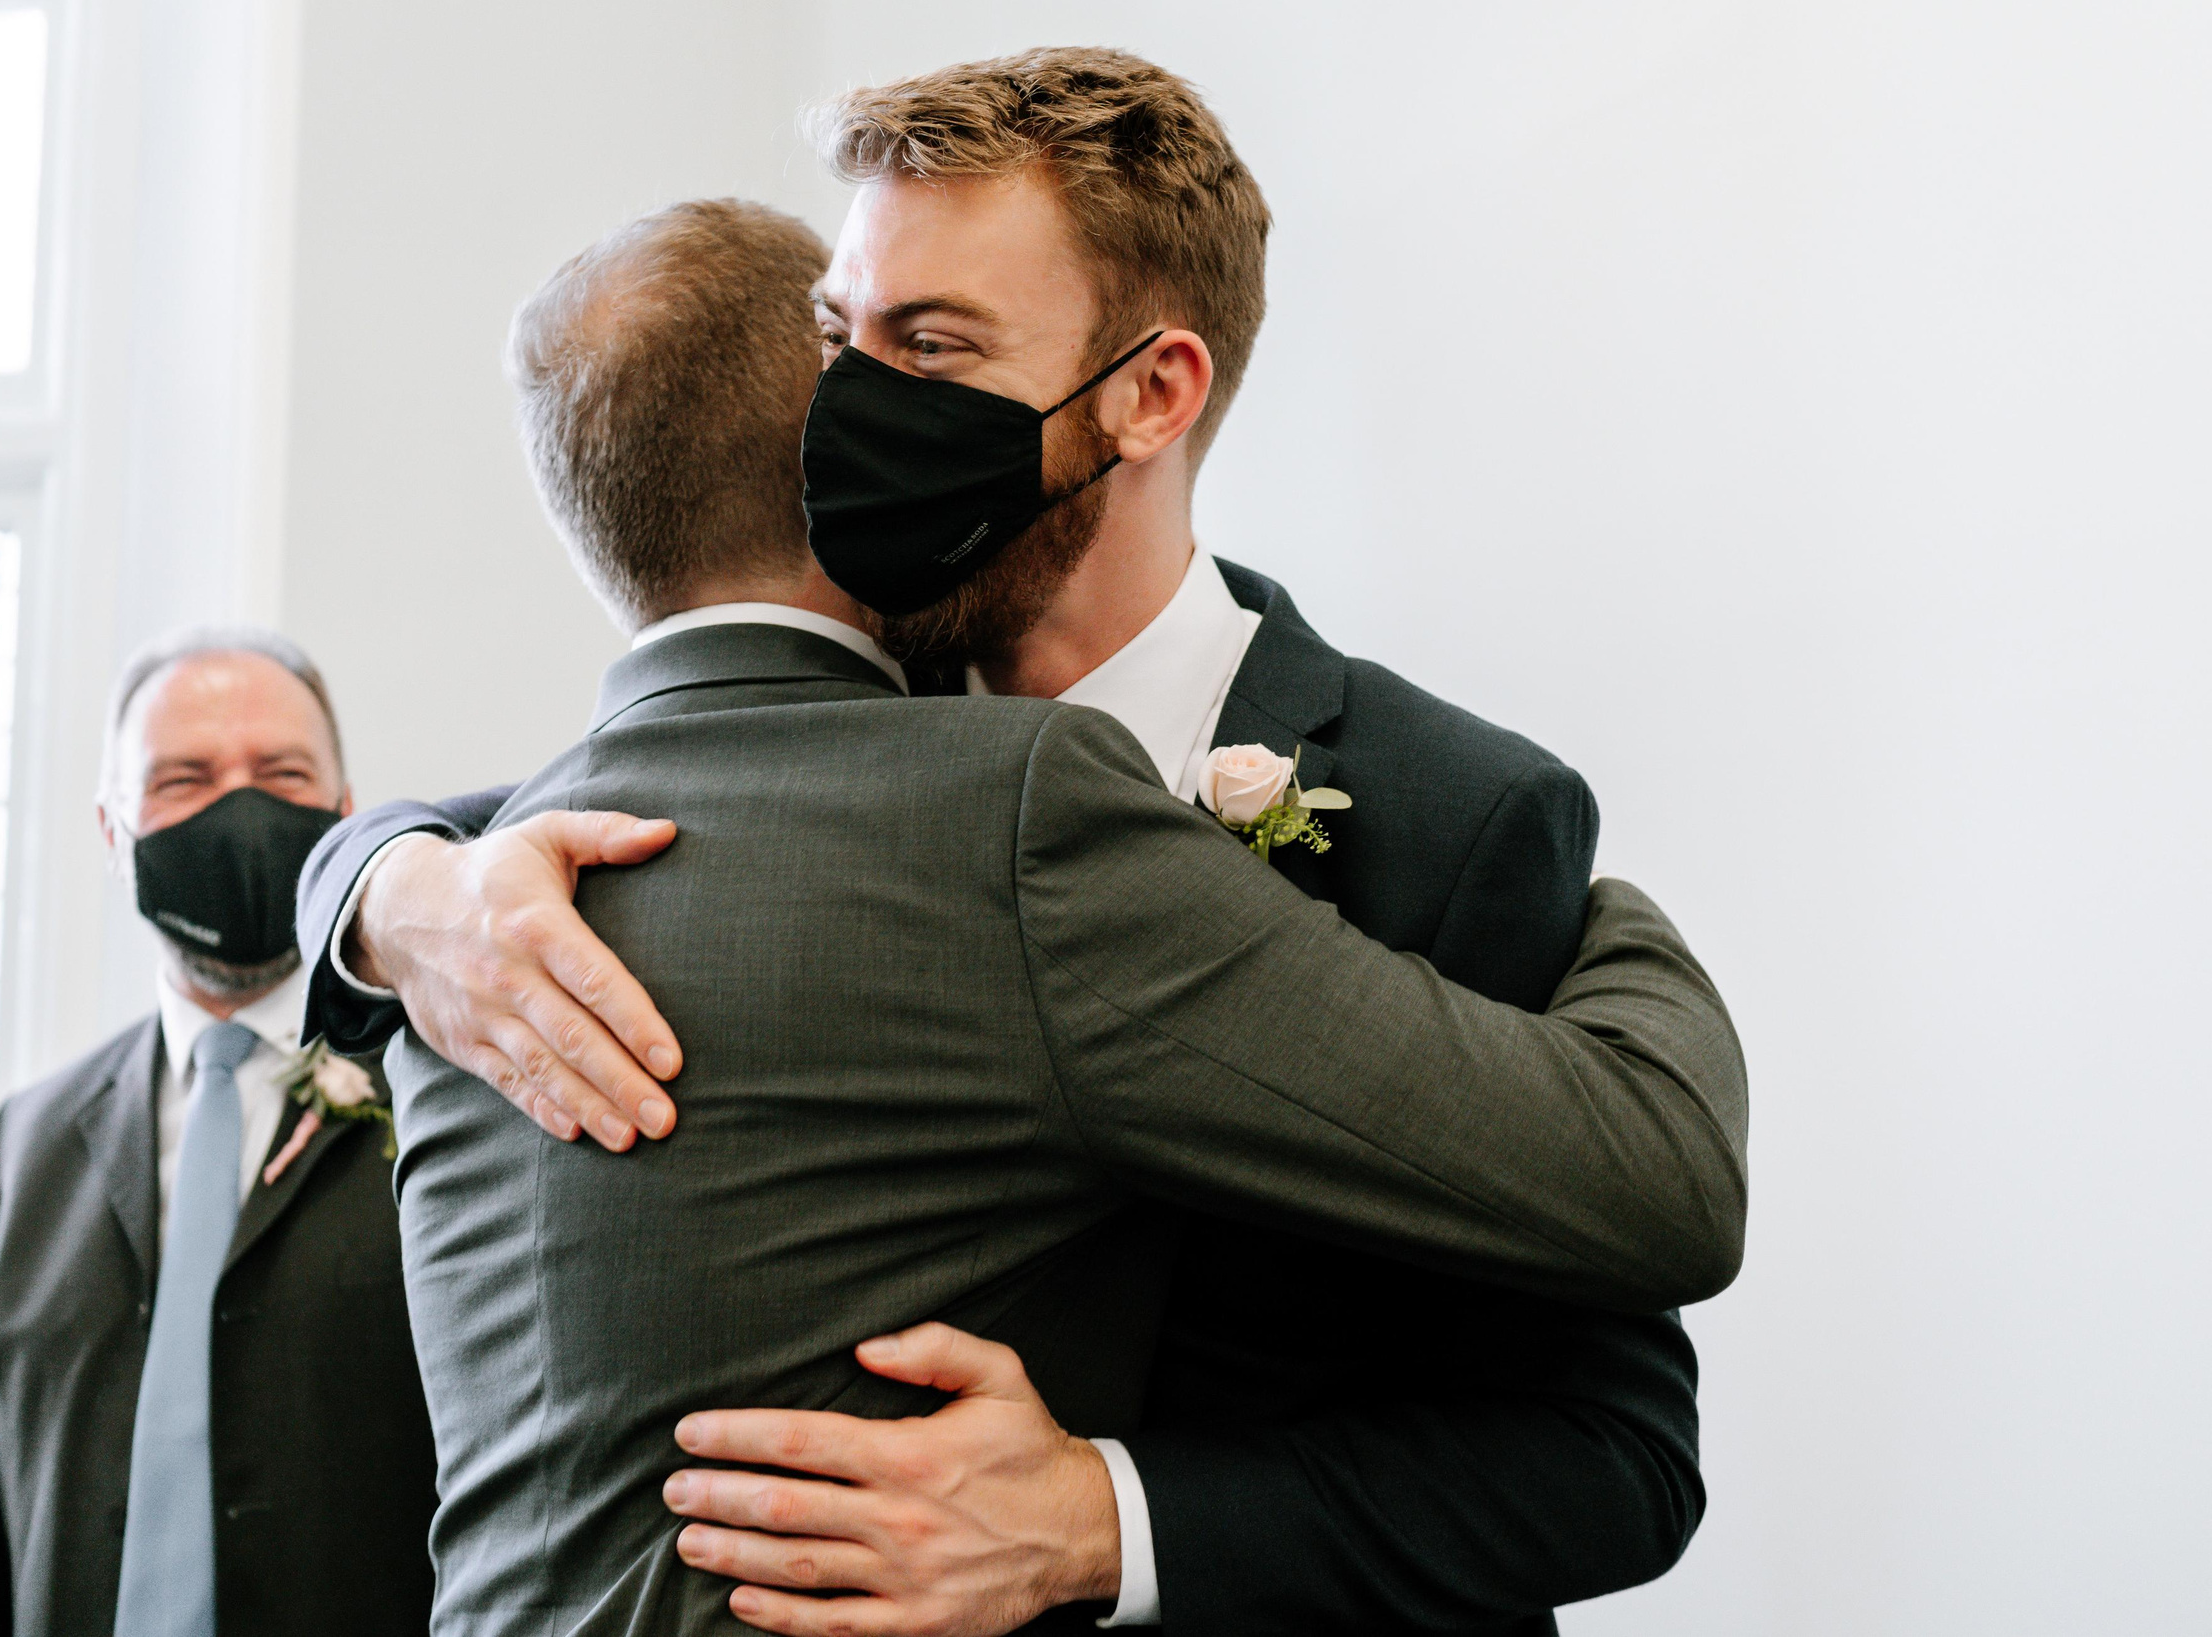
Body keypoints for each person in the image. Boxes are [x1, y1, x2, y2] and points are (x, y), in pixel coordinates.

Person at [299, 194, 1744, 1637]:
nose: (878, 401)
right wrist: (381, 886)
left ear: (1150, 393)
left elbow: (1612, 1457)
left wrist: (1108, 1522)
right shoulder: (485, 909)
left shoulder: (1463, 813)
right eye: (849, 348)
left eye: (928, 349)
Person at [0, 630, 437, 1637]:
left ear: (345, 814)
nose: (238, 806)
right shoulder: (30, 1141)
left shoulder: (448, 1101)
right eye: (183, 778)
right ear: (112, 824)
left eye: (282, 772)